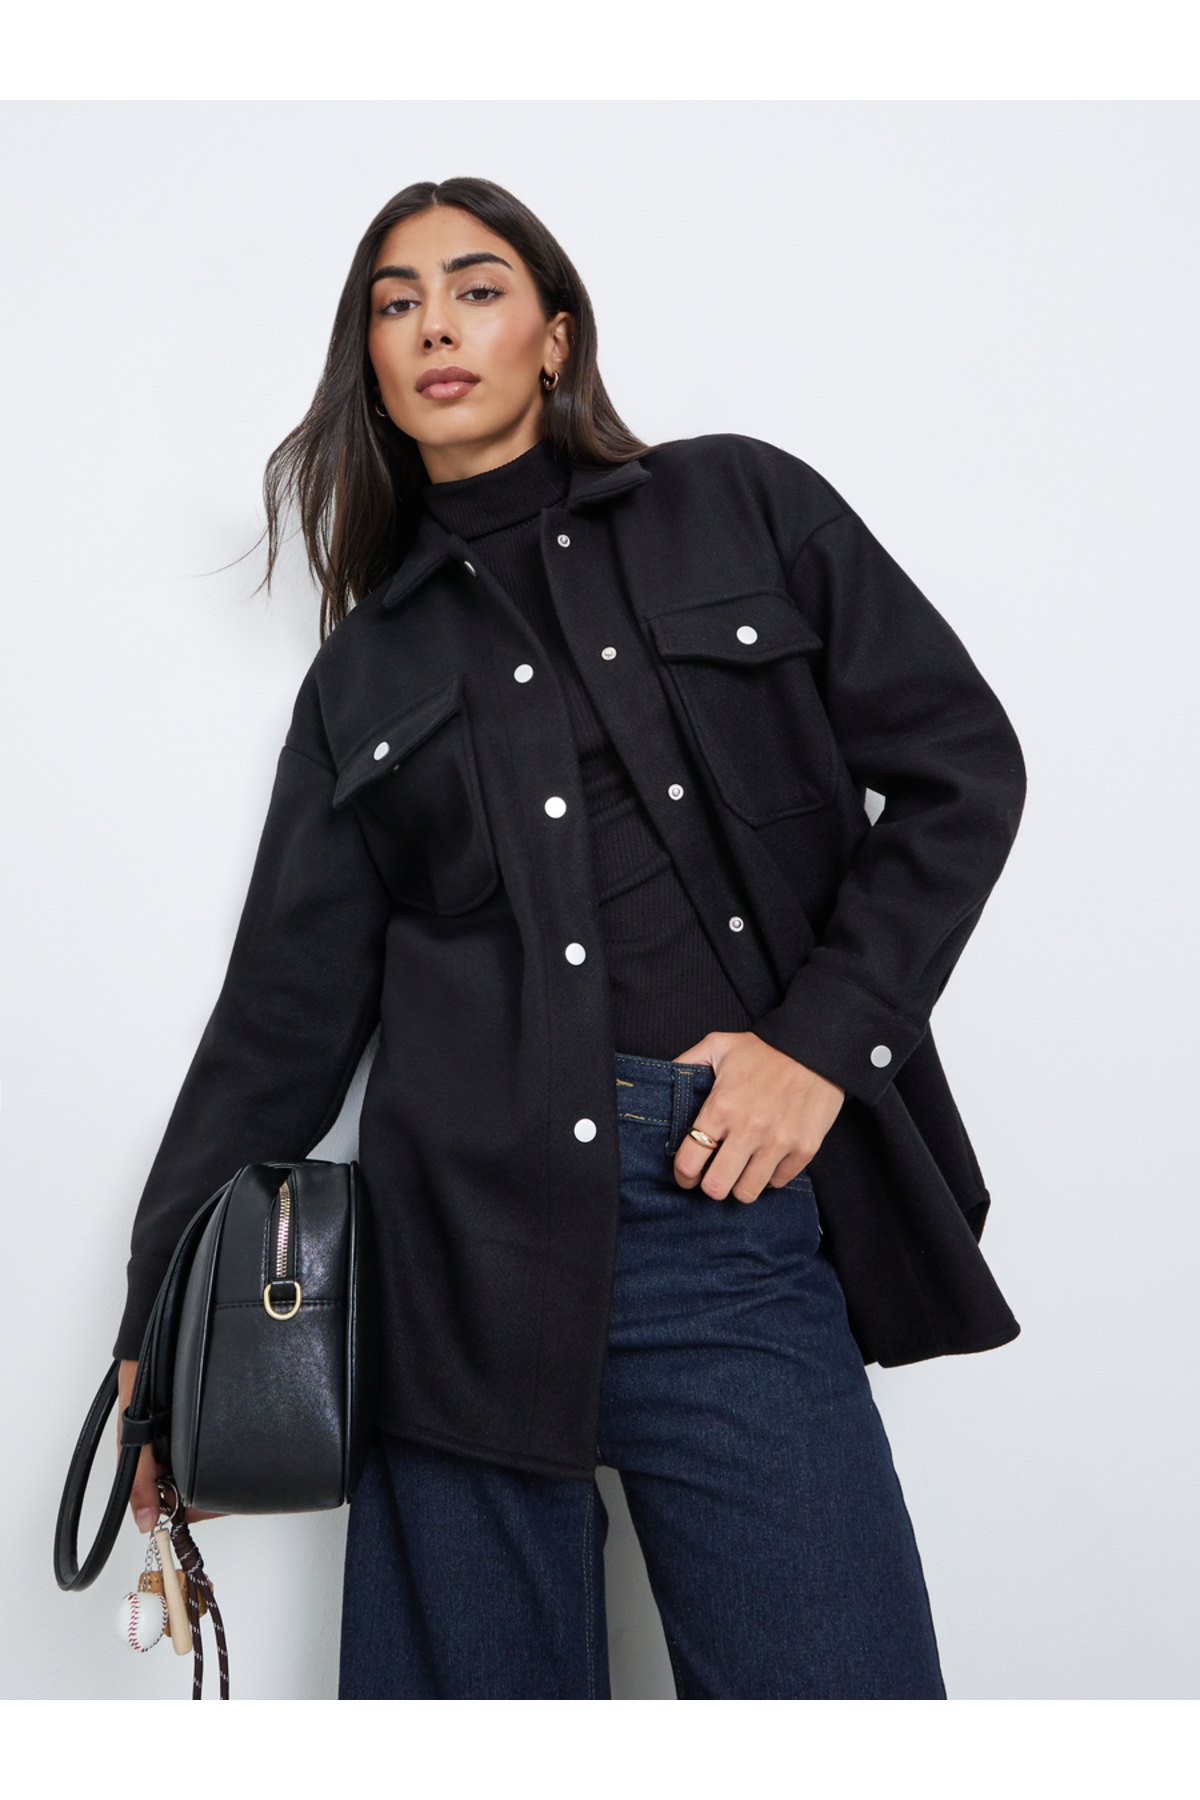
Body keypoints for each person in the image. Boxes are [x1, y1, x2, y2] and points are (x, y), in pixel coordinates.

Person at [112, 175, 1027, 1699]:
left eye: (476, 288)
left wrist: (817, 1048)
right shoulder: (363, 675)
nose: (434, 326)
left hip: (718, 1210)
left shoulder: (743, 502)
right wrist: (163, 1333)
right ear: (370, 368)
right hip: (453, 1265)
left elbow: (960, 770)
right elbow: (280, 1021)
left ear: (554, 335)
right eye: (395, 305)